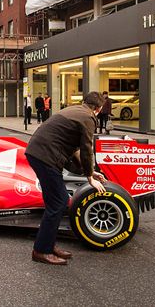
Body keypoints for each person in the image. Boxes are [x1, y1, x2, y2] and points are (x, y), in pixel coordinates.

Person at [25, 91, 107, 265]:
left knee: (54, 204)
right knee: (59, 202)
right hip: (45, 156)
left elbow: (75, 149)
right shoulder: (88, 118)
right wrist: (89, 177)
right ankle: (41, 251)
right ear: (98, 109)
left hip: (39, 152)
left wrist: (90, 172)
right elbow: (86, 149)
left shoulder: (76, 110)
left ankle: (48, 245)